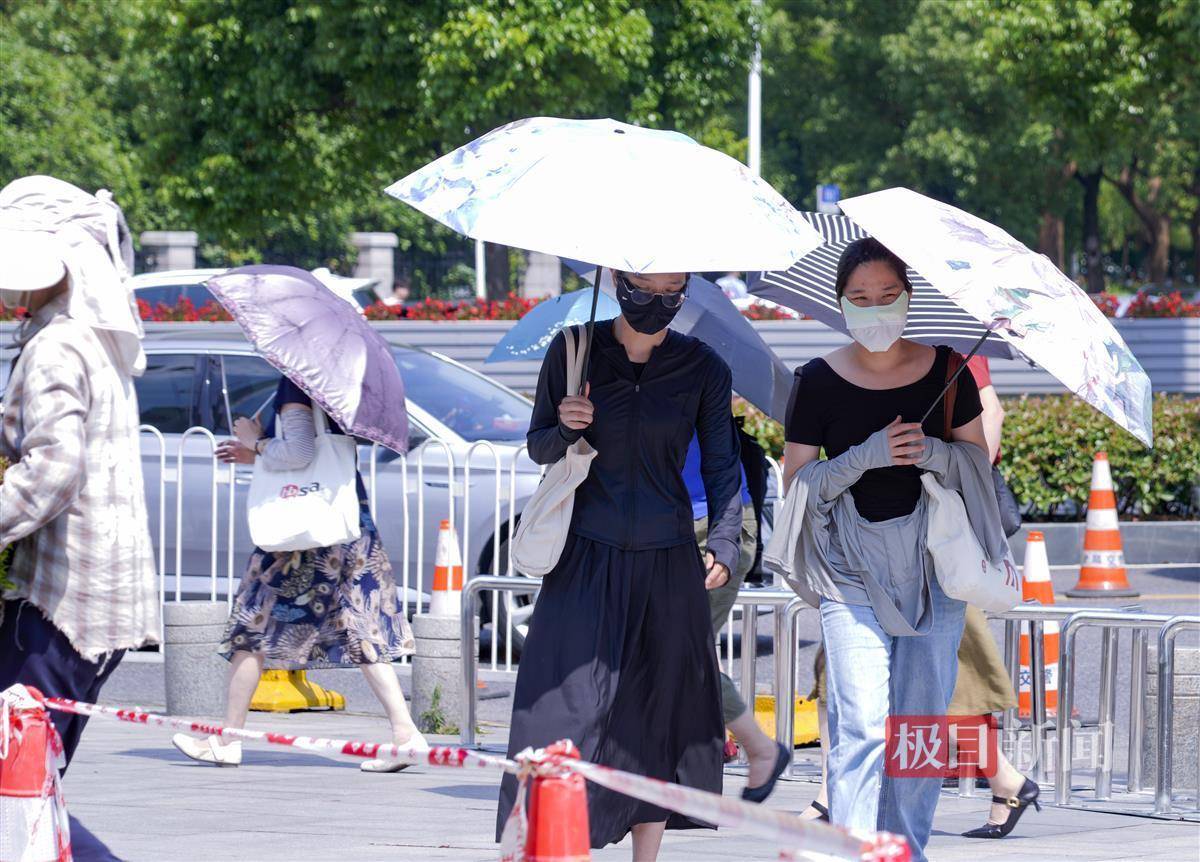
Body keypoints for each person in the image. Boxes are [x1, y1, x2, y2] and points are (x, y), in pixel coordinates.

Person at [496, 270, 746, 860]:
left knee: (652, 715)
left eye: (671, 290)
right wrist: (565, 425)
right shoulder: (575, 349)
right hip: (584, 557)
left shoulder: (702, 367)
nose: (656, 301)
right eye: (643, 286)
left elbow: (721, 464)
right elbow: (537, 446)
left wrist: (728, 542)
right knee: (559, 710)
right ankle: (550, 845)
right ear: (615, 279)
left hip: (667, 562)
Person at [775, 237, 1005, 861]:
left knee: (919, 730)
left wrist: (930, 452)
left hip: (934, 573)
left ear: (909, 298)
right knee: (862, 721)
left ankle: (904, 850)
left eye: (887, 296)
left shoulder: (948, 369)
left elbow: (977, 464)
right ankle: (851, 850)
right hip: (849, 573)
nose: (874, 308)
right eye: (860, 298)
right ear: (840, 303)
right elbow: (797, 484)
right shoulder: (816, 382)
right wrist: (863, 457)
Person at [0, 177, 158, 862]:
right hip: (93, 602)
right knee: (25, 783)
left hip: (64, 607)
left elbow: (53, 470)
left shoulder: (57, 347)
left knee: (19, 785)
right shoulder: (91, 341)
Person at [171, 376, 425, 771]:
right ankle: (405, 732)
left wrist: (253, 441)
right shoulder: (339, 382)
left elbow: (301, 451)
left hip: (301, 535)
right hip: (341, 518)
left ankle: (228, 739)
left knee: (252, 623)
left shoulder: (297, 383)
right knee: (356, 624)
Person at [954, 355, 1040, 838]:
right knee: (952, 673)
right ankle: (1006, 780)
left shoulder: (951, 334)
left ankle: (1007, 780)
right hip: (919, 536)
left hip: (942, 537)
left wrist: (959, 484)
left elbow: (992, 412)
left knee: (957, 670)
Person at [683, 431, 790, 800]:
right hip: (667, 525)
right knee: (668, 650)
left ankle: (758, 747)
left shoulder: (696, 376)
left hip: (710, 527)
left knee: (684, 651)